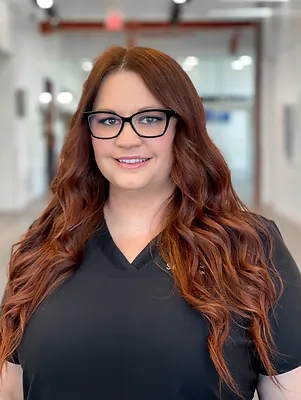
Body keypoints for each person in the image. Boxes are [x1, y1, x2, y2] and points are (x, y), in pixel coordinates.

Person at [0, 46, 301, 400]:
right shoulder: (45, 245)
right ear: (88, 131)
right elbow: (11, 387)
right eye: (109, 120)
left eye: (150, 118)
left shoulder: (250, 246)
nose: (128, 139)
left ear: (182, 127)